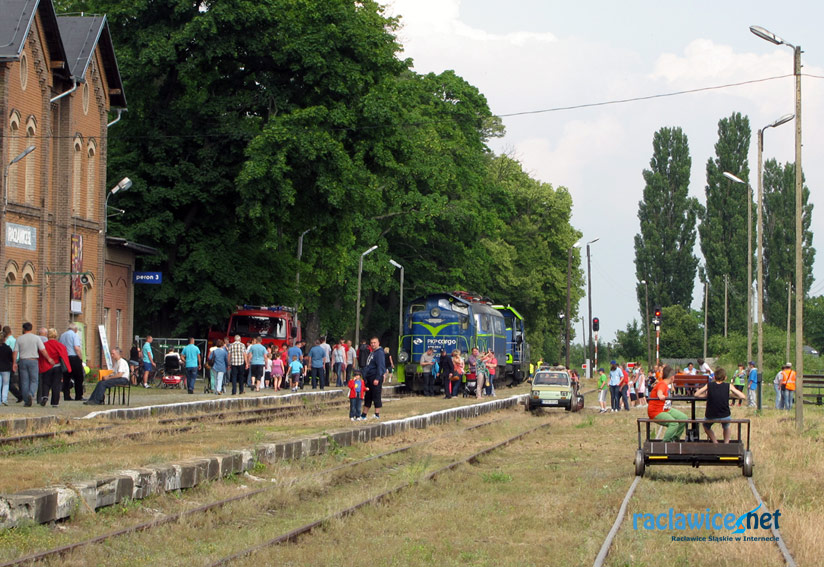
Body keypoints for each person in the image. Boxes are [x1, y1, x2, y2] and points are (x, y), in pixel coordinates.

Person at [695, 367, 746, 443]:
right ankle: (726, 443)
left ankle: (715, 442)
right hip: (725, 414)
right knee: (726, 427)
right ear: (725, 378)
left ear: (714, 377)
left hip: (710, 414)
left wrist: (706, 396)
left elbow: (696, 394)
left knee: (706, 426)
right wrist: (731, 395)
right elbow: (742, 396)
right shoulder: (728, 386)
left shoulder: (709, 385)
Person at [13, 323, 54, 406]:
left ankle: (26, 400)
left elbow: (15, 351)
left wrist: (14, 363)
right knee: (34, 380)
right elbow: (42, 350)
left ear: (23, 329)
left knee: (24, 381)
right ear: (31, 329)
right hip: (33, 360)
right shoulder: (36, 338)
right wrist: (48, 358)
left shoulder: (19, 339)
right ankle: (31, 394)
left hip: (23, 360)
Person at [648, 365, 688, 442]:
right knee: (674, 424)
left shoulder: (665, 385)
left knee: (684, 418)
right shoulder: (662, 384)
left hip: (665, 409)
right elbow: (660, 392)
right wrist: (660, 395)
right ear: (672, 377)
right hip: (656, 412)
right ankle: (665, 443)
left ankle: (674, 439)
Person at [39, 329, 71, 407]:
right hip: (57, 366)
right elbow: (64, 355)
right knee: (56, 384)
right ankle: (55, 402)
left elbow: (41, 355)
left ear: (47, 335)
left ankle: (45, 396)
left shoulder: (44, 345)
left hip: (47, 366)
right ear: (56, 335)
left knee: (46, 382)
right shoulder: (59, 345)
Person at [361, 336, 386, 420]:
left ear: (378, 343)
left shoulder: (379, 353)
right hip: (369, 378)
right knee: (368, 396)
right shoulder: (373, 352)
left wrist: (377, 378)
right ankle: (364, 415)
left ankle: (377, 414)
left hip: (375, 377)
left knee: (376, 396)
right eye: (371, 343)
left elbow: (380, 366)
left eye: (374, 343)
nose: (373, 344)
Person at [59, 323, 85, 401]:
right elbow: (76, 348)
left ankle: (66, 396)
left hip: (65, 358)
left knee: (66, 377)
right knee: (78, 377)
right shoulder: (74, 335)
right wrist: (80, 358)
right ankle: (78, 396)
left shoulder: (62, 335)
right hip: (74, 358)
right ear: (75, 329)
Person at [0, 328, 14, 405]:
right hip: (5, 368)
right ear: (5, 339)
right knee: (5, 384)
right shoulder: (8, 348)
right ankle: (4, 399)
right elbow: (11, 358)